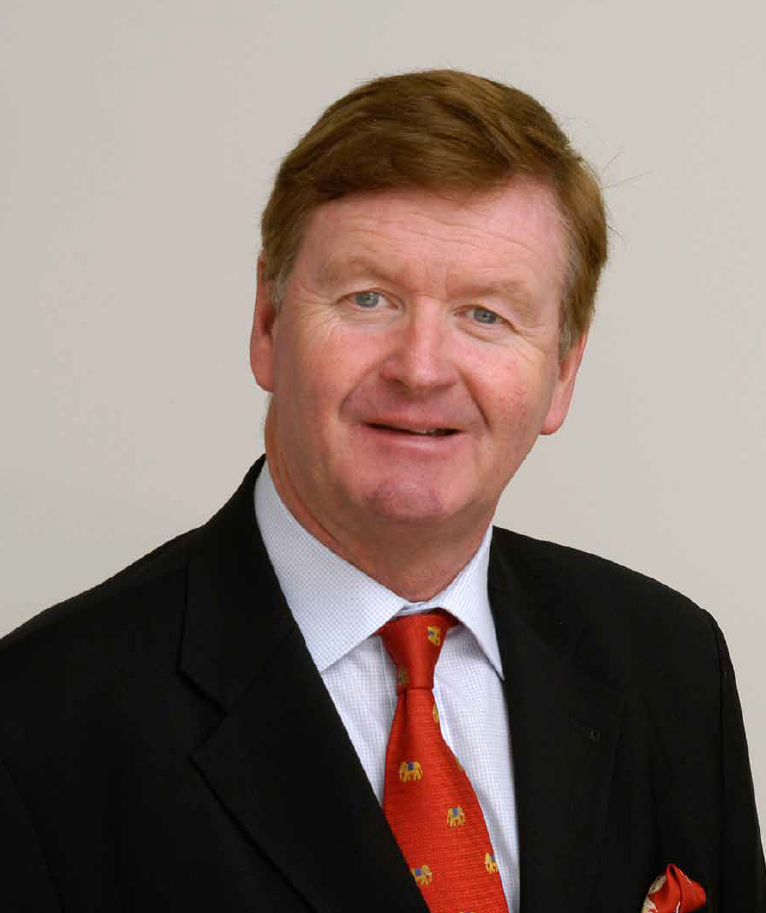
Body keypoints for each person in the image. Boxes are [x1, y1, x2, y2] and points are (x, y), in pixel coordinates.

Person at [0, 69, 763, 913]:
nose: (421, 368)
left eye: (486, 314)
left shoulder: (669, 664)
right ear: (268, 324)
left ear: (563, 371)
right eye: (369, 298)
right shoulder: (37, 722)